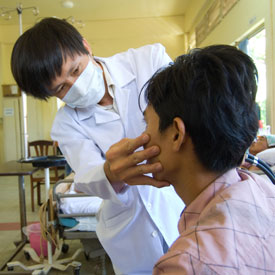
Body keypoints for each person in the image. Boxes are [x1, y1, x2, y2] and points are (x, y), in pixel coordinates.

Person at [11, 17, 184, 274]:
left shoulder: (148, 61)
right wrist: (110, 173)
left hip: (180, 203)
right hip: (129, 229)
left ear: (86, 46)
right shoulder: (66, 124)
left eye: (76, 70)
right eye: (61, 89)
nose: (75, 87)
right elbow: (87, 175)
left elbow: (188, 114)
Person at [107, 45, 275, 274]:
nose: (142, 138)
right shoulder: (264, 190)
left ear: (177, 133)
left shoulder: (185, 265)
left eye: (147, 124)